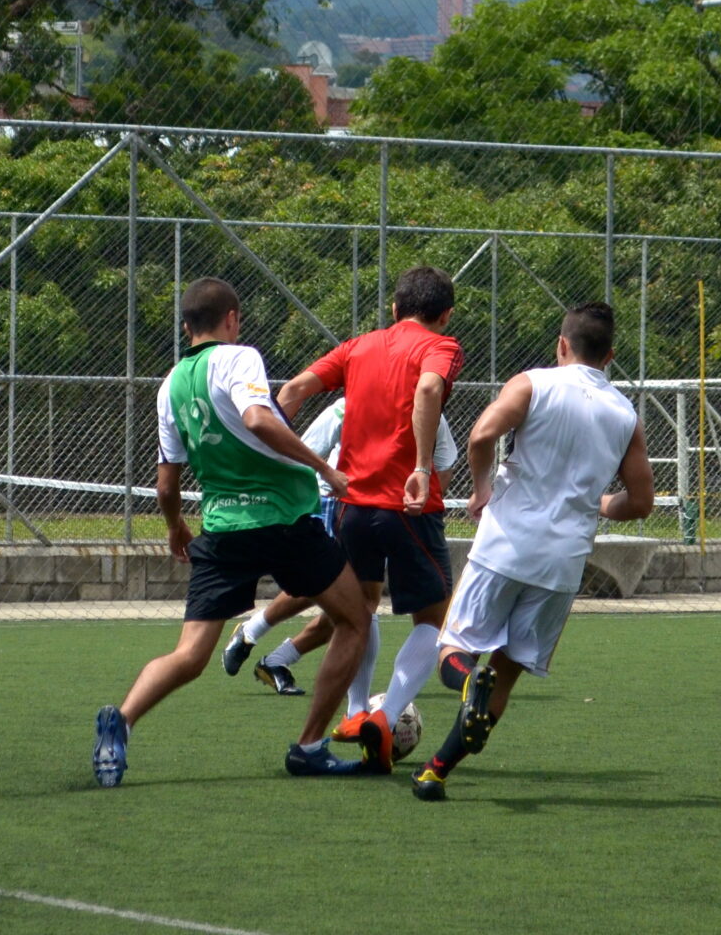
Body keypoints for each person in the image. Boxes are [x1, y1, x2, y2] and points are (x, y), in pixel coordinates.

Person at [93, 278, 372, 787]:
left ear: (185, 327)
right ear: (232, 319)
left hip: (222, 530)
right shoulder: (240, 357)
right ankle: (310, 746)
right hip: (284, 519)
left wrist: (177, 525)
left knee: (190, 656)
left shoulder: (171, 384)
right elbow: (259, 420)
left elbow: (165, 484)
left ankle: (123, 720)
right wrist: (324, 469)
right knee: (354, 620)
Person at [409, 300, 652, 801]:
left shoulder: (532, 382)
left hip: (505, 544)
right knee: (509, 668)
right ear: (609, 357)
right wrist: (602, 504)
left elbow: (482, 435)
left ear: (562, 344)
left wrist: (480, 489)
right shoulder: (625, 413)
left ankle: (464, 682)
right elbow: (642, 501)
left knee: (453, 648)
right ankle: (435, 770)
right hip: (563, 562)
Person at [274, 265, 464, 773]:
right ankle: (387, 715)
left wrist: (272, 465)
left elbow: (291, 391)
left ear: (395, 308)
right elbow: (427, 392)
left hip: (353, 507)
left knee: (358, 612)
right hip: (408, 506)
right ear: (444, 315)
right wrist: (421, 468)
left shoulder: (357, 346)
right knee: (433, 619)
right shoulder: (441, 346)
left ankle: (357, 714)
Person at [223, 401, 462, 704]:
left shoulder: (429, 413)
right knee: (347, 598)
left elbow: (444, 465)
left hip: (386, 513)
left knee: (351, 602)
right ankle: (258, 637)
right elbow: (303, 450)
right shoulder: (348, 406)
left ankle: (274, 657)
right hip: (333, 502)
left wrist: (421, 505)